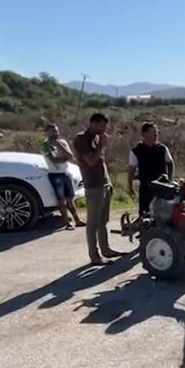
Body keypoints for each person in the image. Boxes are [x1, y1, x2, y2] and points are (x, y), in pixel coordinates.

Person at [73, 113, 122, 265]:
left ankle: (105, 249)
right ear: (93, 123)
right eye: (102, 125)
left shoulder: (96, 138)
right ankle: (94, 256)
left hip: (104, 184)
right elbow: (90, 161)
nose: (104, 129)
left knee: (103, 221)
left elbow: (101, 161)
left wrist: (108, 182)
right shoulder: (81, 139)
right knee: (93, 222)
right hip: (93, 185)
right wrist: (101, 145)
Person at [41, 124, 85, 230]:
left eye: (56, 131)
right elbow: (53, 159)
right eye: (52, 131)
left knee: (70, 198)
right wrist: (64, 158)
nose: (55, 133)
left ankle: (77, 220)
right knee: (61, 199)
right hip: (55, 174)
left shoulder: (62, 142)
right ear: (47, 133)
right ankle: (67, 223)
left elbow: (70, 156)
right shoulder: (46, 145)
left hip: (65, 173)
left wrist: (60, 146)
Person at [127, 122, 174, 216]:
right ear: (144, 134)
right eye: (153, 132)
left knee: (163, 214)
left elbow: (170, 163)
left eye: (156, 133)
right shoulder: (136, 151)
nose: (156, 135)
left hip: (162, 187)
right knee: (145, 214)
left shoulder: (162, 149)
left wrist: (169, 179)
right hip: (146, 187)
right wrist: (130, 187)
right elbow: (131, 170)